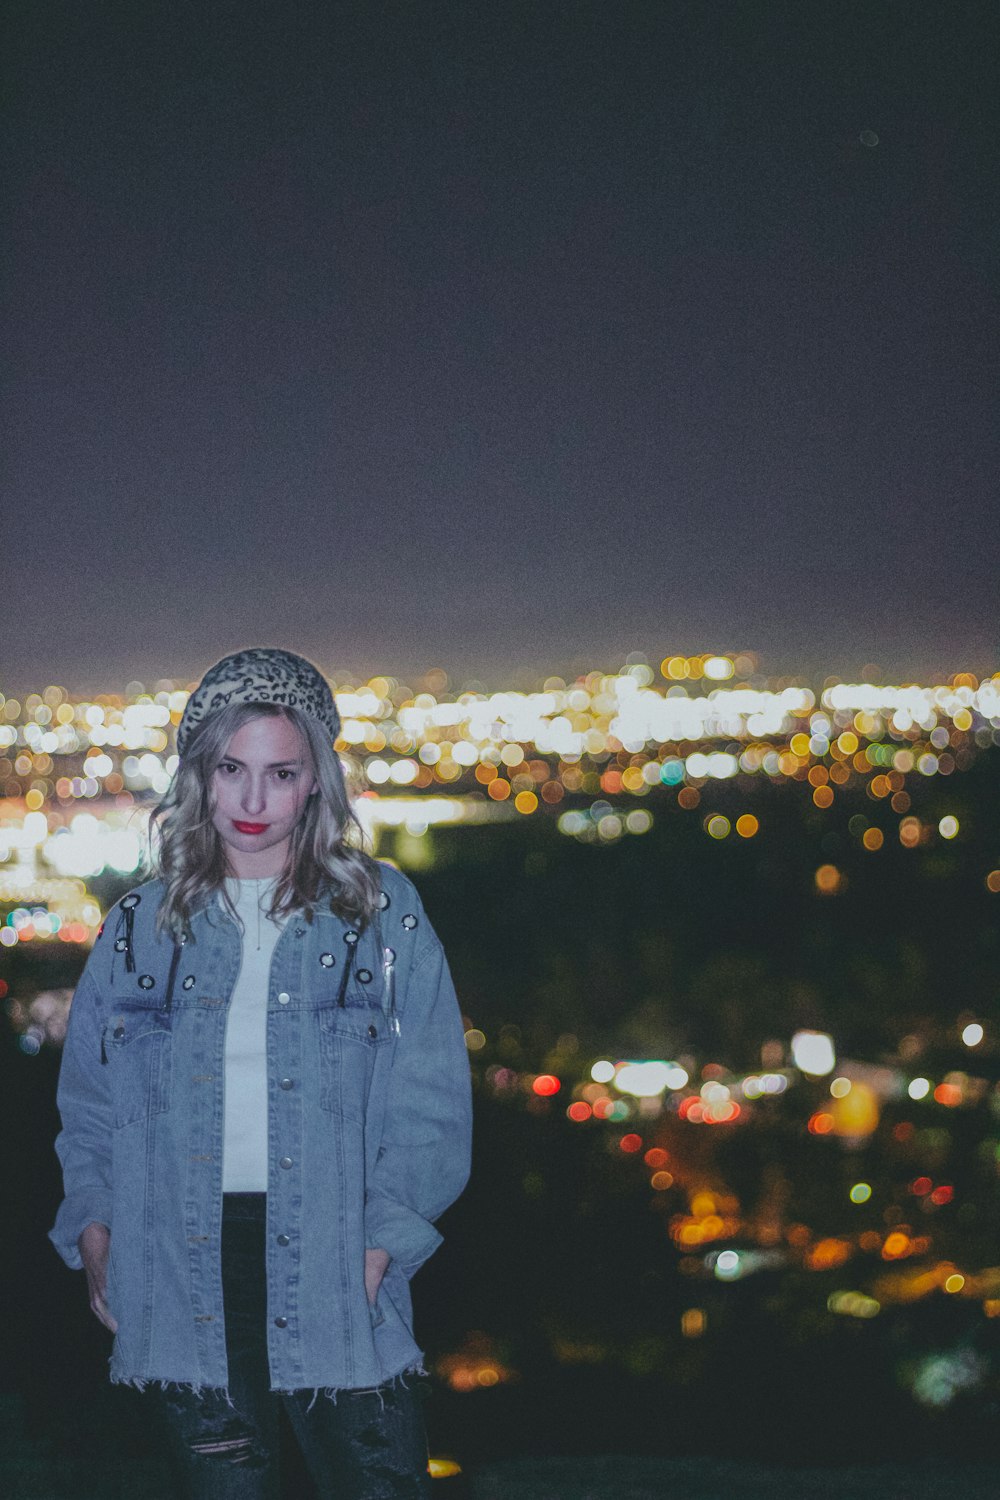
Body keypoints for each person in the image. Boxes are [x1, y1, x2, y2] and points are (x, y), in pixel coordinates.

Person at [49, 647, 473, 1499]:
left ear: (317, 778)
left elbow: (431, 1103)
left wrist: (380, 1245)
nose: (251, 801)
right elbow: (90, 1103)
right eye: (230, 770)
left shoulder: (378, 916)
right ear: (198, 776)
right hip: (178, 1268)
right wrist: (93, 1225)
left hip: (336, 1263)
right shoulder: (138, 925)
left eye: (280, 773)